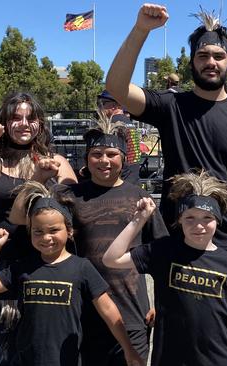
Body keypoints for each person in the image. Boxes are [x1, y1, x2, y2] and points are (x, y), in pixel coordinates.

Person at [106, 3, 227, 329]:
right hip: (181, 242)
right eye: (203, 55)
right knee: (182, 330)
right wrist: (141, 30)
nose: (211, 62)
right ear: (192, 60)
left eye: (218, 56)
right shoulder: (170, 106)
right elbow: (116, 87)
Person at [0, 92, 77, 365]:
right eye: (15, 117)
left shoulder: (55, 161)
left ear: (40, 123)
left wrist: (49, 178)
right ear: (4, 121)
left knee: (45, 349)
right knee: (4, 355)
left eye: (30, 117)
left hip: (44, 265)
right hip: (0, 262)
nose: (24, 123)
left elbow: (70, 207)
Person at [0, 181, 143, 366]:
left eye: (54, 230)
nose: (46, 237)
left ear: (69, 231)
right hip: (26, 358)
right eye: (38, 232)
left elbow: (108, 311)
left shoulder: (82, 268)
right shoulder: (24, 267)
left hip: (66, 359)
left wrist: (128, 348)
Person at [51, 111, 169, 364]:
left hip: (131, 308)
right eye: (96, 154)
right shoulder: (70, 196)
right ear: (87, 159)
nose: (104, 160)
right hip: (83, 309)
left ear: (123, 159)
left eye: (111, 154)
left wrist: (161, 302)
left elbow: (163, 254)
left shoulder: (139, 197)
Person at [102, 170, 227, 366]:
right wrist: (139, 219)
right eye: (190, 218)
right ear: (179, 219)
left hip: (216, 360)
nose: (199, 226)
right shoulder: (163, 251)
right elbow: (111, 259)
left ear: (218, 220)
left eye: (207, 218)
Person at [96, 90, 143, 184]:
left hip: (119, 184)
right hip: (133, 179)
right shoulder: (130, 124)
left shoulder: (111, 125)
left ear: (115, 106)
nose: (100, 107)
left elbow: (108, 157)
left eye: (103, 103)